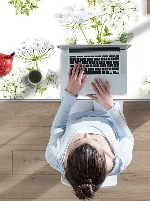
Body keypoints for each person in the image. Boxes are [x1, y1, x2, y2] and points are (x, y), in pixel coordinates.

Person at [46, 62, 134, 199]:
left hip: (75, 116)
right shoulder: (122, 159)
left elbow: (58, 127)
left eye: (78, 141)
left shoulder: (55, 157)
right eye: (94, 140)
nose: (86, 133)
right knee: (110, 74)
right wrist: (110, 106)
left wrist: (70, 94)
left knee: (76, 78)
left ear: (67, 159)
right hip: (107, 115)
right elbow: (126, 137)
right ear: (106, 157)